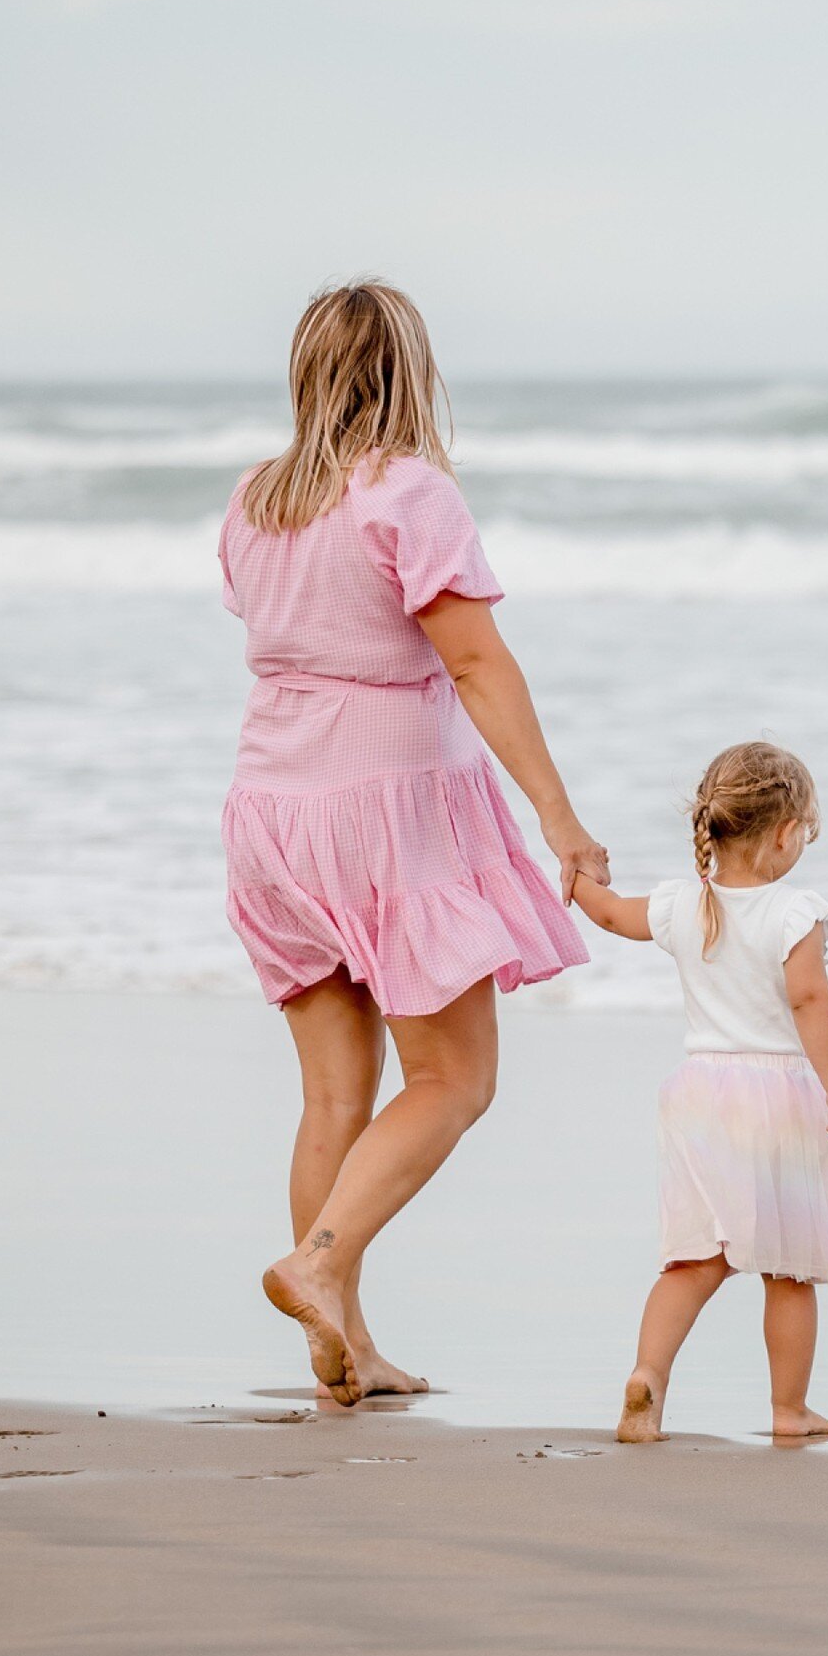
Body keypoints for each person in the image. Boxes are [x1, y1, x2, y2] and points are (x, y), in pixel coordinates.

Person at [218, 281, 608, 1405]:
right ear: (409, 371)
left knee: (335, 1097)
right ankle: (320, 1264)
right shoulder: (408, 493)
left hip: (270, 814)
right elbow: (477, 664)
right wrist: (559, 817)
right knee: (453, 1078)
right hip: (383, 812)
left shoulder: (254, 499)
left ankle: (343, 1347)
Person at [573, 741, 828, 1442]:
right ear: (785, 834)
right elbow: (811, 1001)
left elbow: (605, 915)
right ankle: (788, 1410)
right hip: (778, 1099)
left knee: (691, 1259)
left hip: (698, 1096)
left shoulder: (678, 903)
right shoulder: (793, 913)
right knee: (789, 1269)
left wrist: (583, 875)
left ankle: (646, 1381)